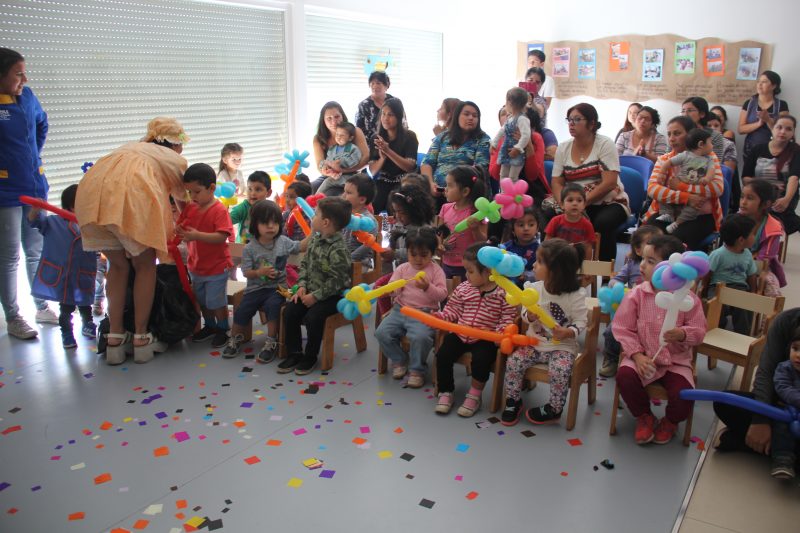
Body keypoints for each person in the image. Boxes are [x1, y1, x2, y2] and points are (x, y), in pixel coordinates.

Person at [75, 116, 189, 364]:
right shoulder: (173, 159)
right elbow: (185, 203)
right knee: (144, 265)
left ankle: (115, 336)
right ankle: (141, 336)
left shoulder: (129, 148)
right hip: (129, 197)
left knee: (116, 266)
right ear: (175, 143)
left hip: (91, 196)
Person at [613, 235, 707, 445]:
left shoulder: (689, 299)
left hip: (675, 361)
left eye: (651, 261)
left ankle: (671, 421)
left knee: (683, 394)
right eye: (643, 259)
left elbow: (700, 331)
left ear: (670, 268)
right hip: (643, 356)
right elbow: (622, 328)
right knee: (625, 377)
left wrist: (682, 334)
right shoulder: (637, 294)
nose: (643, 265)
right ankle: (644, 416)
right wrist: (637, 356)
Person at [0, 47, 59, 339]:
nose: (24, 78)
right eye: (17, 73)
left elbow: (41, 124)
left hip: (33, 185)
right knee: (10, 255)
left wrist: (32, 157)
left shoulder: (27, 96)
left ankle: (42, 305)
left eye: (24, 72)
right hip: (6, 192)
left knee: (36, 249)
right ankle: (13, 316)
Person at [501, 239, 588, 426]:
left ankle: (554, 409)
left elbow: (582, 322)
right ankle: (513, 400)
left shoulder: (576, 295)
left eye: (539, 261)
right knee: (514, 362)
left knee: (560, 370)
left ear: (556, 271)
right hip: (534, 343)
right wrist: (530, 316)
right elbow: (524, 314)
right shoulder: (533, 289)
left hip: (562, 347)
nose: (533, 264)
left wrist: (568, 332)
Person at [432, 242, 518, 417]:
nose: (466, 275)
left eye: (470, 271)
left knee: (481, 360)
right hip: (461, 333)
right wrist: (442, 317)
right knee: (443, 355)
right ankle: (446, 391)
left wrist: (501, 334)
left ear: (488, 272)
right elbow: (453, 310)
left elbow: (507, 318)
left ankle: (474, 395)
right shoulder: (464, 288)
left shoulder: (504, 293)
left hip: (485, 338)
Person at [713, 308, 800, 464]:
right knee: (725, 403)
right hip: (777, 408)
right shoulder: (787, 321)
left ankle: (760, 447)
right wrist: (760, 419)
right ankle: (782, 451)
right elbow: (765, 373)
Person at [222, 200, 305, 363]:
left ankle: (271, 341)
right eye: (265, 223)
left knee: (274, 308)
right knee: (242, 311)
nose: (271, 226)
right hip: (254, 289)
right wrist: (259, 272)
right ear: (255, 224)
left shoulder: (283, 241)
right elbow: (245, 272)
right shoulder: (250, 248)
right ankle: (235, 338)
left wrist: (314, 233)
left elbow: (300, 246)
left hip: (278, 289)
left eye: (275, 222)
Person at [277, 197, 352, 376]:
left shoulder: (338, 249)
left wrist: (316, 296)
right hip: (309, 291)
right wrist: (302, 285)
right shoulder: (315, 240)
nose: (313, 217)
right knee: (290, 311)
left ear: (325, 222)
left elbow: (338, 281)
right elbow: (305, 267)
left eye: (316, 214)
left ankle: (310, 356)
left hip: (332, 296)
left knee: (313, 317)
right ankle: (294, 352)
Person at [550, 103, 629, 262]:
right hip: (573, 199)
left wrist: (582, 203)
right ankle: (558, 264)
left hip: (608, 200)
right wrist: (562, 203)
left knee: (603, 223)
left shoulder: (605, 144)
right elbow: (557, 182)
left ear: (592, 123)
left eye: (577, 119)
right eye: (569, 119)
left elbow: (609, 183)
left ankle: (603, 274)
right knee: (549, 213)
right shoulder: (563, 147)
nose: (571, 124)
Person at [375, 226, 447, 388]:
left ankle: (417, 369)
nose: (418, 259)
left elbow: (442, 295)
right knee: (381, 333)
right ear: (407, 252)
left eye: (424, 255)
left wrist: (427, 287)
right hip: (399, 310)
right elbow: (393, 288)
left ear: (432, 253)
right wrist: (392, 290)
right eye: (413, 254)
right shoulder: (402, 268)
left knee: (420, 337)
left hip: (425, 313)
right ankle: (399, 359)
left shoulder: (436, 271)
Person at [27, 185, 97, 349]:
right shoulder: (53, 222)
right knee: (66, 308)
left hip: (82, 275)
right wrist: (35, 209)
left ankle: (88, 325)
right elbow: (33, 221)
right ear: (72, 206)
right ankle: (67, 334)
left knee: (86, 304)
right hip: (63, 276)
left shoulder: (91, 225)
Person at [644, 116, 724, 251]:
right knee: (648, 237)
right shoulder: (665, 159)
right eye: (669, 134)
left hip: (699, 215)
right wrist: (686, 198)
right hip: (668, 212)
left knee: (673, 243)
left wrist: (681, 187)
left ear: (690, 135)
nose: (671, 139)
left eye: (677, 133)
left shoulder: (709, 157)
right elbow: (653, 189)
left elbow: (716, 188)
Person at [177, 163, 234, 349]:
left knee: (216, 301)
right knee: (202, 301)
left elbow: (222, 237)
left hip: (217, 267)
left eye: (196, 192)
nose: (192, 197)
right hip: (196, 266)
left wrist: (196, 236)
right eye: (189, 193)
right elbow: (183, 226)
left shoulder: (218, 210)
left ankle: (223, 329)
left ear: (211, 188)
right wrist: (179, 231)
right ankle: (209, 326)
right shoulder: (192, 207)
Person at [599, 225, 663, 378]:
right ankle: (612, 359)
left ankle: (656, 359)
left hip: (655, 312)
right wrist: (620, 288)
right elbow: (614, 281)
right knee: (611, 331)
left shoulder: (662, 266)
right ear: (638, 249)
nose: (655, 246)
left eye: (659, 241)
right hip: (632, 310)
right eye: (650, 242)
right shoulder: (632, 265)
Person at [742, 115, 800, 235]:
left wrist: (786, 199)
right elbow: (746, 177)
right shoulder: (758, 149)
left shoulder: (795, 151)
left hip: (781, 199)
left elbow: (794, 178)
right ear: (773, 129)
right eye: (779, 127)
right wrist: (760, 191)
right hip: (758, 196)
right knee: (738, 222)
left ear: (793, 133)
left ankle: (767, 248)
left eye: (788, 129)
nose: (783, 131)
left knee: (778, 218)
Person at [421, 101, 490, 197]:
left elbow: (480, 168)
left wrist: (453, 188)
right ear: (457, 116)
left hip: (465, 193)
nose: (471, 118)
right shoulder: (442, 137)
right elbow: (427, 163)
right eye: (466, 114)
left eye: (475, 116)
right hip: (437, 192)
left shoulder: (483, 139)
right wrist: (430, 184)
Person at [656, 129, 717, 234]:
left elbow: (712, 171)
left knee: (693, 208)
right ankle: (668, 214)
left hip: (694, 192)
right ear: (701, 144)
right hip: (679, 184)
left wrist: (707, 178)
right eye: (710, 142)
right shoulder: (685, 155)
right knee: (664, 194)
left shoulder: (709, 159)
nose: (712, 146)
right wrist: (661, 173)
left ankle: (677, 223)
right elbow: (668, 163)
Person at [705, 214, 758, 332]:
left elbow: (751, 274)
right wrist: (704, 291)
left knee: (745, 305)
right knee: (716, 305)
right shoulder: (718, 254)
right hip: (718, 287)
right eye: (753, 234)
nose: (755, 237)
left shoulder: (747, 254)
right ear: (741, 240)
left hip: (739, 287)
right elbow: (707, 273)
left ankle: (743, 333)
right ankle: (716, 329)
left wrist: (753, 291)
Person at [368, 98, 419, 215]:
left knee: (393, 207)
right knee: (373, 205)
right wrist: (383, 158)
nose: (385, 118)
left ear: (399, 117)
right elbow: (372, 171)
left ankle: (394, 232)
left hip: (404, 181)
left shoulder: (410, 136)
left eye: (390, 115)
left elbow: (410, 167)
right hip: (383, 180)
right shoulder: (375, 138)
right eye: (383, 114)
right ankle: (374, 232)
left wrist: (388, 151)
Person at [438, 166, 489, 279]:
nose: (445, 189)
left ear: (465, 191)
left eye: (450, 186)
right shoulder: (445, 208)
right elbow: (439, 233)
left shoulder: (477, 213)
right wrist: (439, 245)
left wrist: (475, 229)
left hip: (469, 267)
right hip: (446, 263)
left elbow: (483, 241)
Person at [490, 106, 548, 202]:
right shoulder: (499, 141)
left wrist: (528, 145)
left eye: (511, 113)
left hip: (533, 192)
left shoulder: (536, 138)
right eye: (504, 114)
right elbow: (495, 175)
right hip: (507, 193)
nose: (508, 115)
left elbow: (532, 175)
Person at [738, 179, 786, 297]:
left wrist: (749, 270)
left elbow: (765, 258)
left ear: (766, 204)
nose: (743, 202)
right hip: (735, 261)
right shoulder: (735, 220)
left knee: (770, 285)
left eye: (750, 198)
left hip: (760, 267)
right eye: (742, 197)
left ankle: (768, 315)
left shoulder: (773, 227)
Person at [311, 102, 369, 193]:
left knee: (330, 193)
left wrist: (343, 170)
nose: (334, 122)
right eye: (329, 118)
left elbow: (366, 158)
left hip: (352, 174)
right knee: (311, 188)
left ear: (342, 116)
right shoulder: (318, 138)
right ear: (323, 120)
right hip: (330, 175)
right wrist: (326, 170)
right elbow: (320, 164)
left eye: (337, 117)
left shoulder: (355, 131)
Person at [738, 70, 790, 161]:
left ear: (774, 86)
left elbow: (784, 131)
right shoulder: (749, 103)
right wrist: (759, 123)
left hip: (774, 152)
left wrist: (768, 120)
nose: (759, 84)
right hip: (751, 149)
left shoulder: (782, 105)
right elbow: (741, 129)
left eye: (764, 82)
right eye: (758, 81)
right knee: (749, 174)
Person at [769, 327, 800, 479]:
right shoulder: (784, 368)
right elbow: (783, 388)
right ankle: (783, 460)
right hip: (785, 410)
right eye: (795, 348)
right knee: (782, 428)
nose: (798, 355)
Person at [682, 97, 737, 173]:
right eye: (683, 111)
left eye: (690, 110)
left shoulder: (714, 136)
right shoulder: (680, 133)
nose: (685, 114)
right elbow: (670, 157)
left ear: (702, 114)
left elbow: (714, 164)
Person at [544, 182, 596, 259]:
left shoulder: (587, 224)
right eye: (570, 200)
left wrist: (587, 265)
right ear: (562, 204)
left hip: (578, 260)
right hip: (557, 259)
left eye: (579, 200)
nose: (575, 203)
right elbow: (547, 243)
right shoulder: (555, 221)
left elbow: (588, 247)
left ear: (584, 205)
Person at [492, 87, 531, 182]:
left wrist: (518, 148)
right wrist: (494, 143)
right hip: (506, 149)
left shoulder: (522, 119)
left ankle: (511, 194)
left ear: (510, 103)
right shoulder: (510, 119)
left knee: (513, 176)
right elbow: (502, 131)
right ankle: (503, 195)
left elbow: (526, 135)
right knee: (503, 174)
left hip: (516, 152)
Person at [355, 71, 401, 150]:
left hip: (394, 144)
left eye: (378, 83)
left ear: (386, 86)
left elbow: (402, 123)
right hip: (371, 146)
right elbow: (358, 131)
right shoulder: (363, 105)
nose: (375, 86)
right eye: (372, 83)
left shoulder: (395, 102)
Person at [341, 173, 379, 266]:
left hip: (359, 263)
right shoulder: (342, 214)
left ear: (362, 200)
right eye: (344, 191)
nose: (343, 195)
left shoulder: (368, 221)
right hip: (340, 259)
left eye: (349, 193)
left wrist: (348, 259)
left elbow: (367, 245)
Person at [318, 122, 362, 197]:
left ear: (350, 138)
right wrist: (325, 166)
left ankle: (314, 200)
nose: (338, 137)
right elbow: (327, 161)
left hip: (348, 177)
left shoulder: (353, 148)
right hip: (334, 175)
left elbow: (353, 161)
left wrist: (340, 162)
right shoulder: (332, 149)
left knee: (327, 182)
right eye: (337, 134)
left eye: (342, 135)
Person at [229, 171, 272, 244]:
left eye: (258, 189)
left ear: (268, 193)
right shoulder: (242, 208)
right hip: (243, 249)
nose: (253, 193)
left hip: (262, 248)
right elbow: (227, 221)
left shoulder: (270, 208)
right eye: (250, 189)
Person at [502, 206, 541, 285]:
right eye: (521, 225)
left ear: (537, 228)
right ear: (513, 229)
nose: (526, 228)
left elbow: (542, 273)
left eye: (531, 224)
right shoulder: (505, 248)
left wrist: (526, 275)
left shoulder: (540, 250)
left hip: (531, 289)